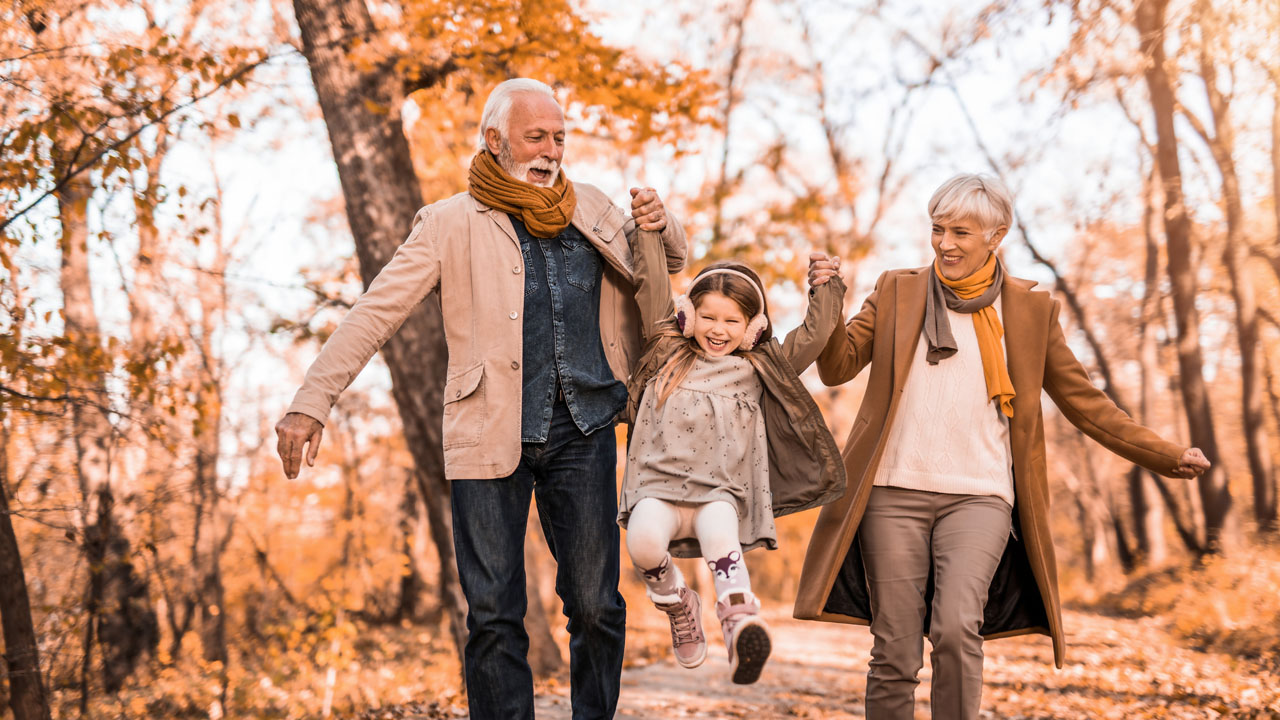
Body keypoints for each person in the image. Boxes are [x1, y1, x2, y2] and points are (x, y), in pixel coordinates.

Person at [274, 78, 688, 720]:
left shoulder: (596, 207)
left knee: (598, 606)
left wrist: (665, 224)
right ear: (495, 141)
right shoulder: (447, 223)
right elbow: (374, 313)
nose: (551, 150)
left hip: (585, 428)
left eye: (558, 136)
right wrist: (311, 401)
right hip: (488, 431)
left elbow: (666, 259)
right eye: (536, 137)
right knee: (494, 615)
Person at [792, 173, 1211, 719]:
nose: (945, 243)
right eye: (937, 229)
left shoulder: (1030, 312)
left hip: (981, 497)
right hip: (893, 491)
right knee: (894, 646)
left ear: (998, 235)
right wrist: (827, 299)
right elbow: (837, 365)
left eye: (961, 232)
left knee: (956, 627)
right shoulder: (898, 289)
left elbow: (1086, 403)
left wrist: (1164, 453)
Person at [617, 228, 849, 684]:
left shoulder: (758, 367)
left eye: (731, 322)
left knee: (723, 545)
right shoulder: (666, 351)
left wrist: (827, 286)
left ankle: (740, 623)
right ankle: (679, 603)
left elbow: (814, 335)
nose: (718, 331)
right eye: (708, 318)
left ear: (754, 328)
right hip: (657, 489)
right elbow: (651, 287)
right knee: (642, 542)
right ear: (687, 315)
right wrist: (648, 229)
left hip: (718, 494)